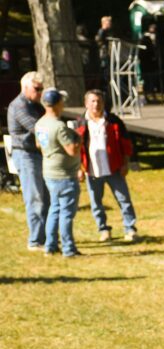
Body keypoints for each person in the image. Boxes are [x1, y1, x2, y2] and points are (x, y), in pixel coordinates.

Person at [75, 90, 139, 242]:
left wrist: (125, 163)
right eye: (92, 101)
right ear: (86, 104)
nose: (96, 104)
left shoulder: (114, 121)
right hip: (92, 170)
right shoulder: (80, 123)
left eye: (99, 101)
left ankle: (130, 228)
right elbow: (76, 148)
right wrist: (79, 168)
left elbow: (125, 143)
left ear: (103, 103)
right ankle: (103, 229)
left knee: (124, 199)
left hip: (114, 167)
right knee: (96, 203)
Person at [35, 88, 82, 258]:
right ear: (57, 104)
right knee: (66, 213)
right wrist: (79, 136)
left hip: (49, 172)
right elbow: (72, 150)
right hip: (64, 175)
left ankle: (50, 246)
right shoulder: (59, 126)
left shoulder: (40, 123)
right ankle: (69, 249)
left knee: (54, 209)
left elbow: (39, 145)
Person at [8, 71, 48, 251]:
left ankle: (46, 237)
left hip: (38, 154)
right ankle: (35, 241)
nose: (40, 92)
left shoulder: (36, 105)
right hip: (25, 155)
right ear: (25, 88)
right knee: (35, 198)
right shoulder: (19, 106)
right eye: (37, 89)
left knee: (46, 197)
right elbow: (38, 128)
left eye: (41, 89)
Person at [139, 23, 162, 100]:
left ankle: (151, 94)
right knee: (148, 79)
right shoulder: (145, 38)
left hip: (151, 63)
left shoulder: (155, 37)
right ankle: (147, 95)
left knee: (152, 79)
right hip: (147, 63)